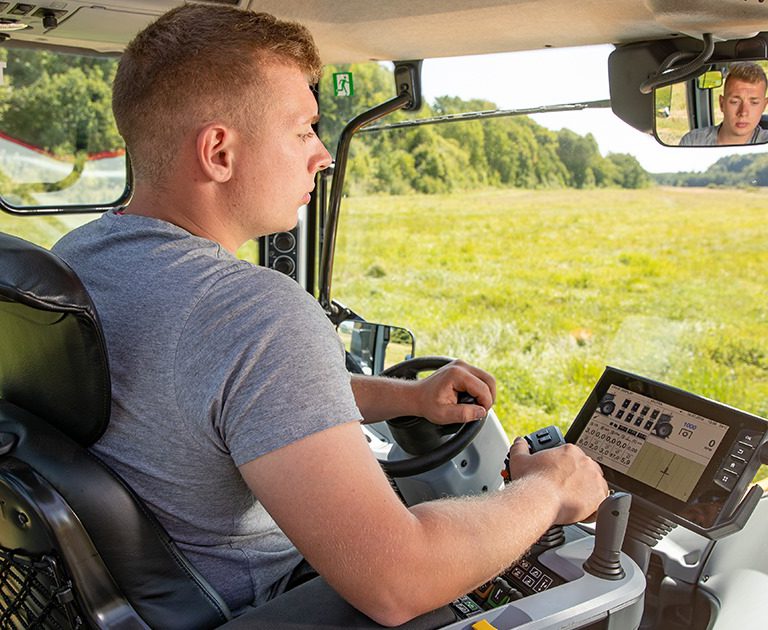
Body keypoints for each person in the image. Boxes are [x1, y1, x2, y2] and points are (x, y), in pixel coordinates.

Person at [52, 4, 607, 626]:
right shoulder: (252, 313)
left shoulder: (78, 261)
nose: (322, 155)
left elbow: (233, 396)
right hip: (263, 606)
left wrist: (409, 399)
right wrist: (549, 489)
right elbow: (399, 581)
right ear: (218, 152)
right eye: (302, 130)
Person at [680, 62, 768, 145]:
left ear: (764, 106)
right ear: (722, 104)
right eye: (734, 102)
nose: (743, 112)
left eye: (754, 103)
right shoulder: (693, 142)